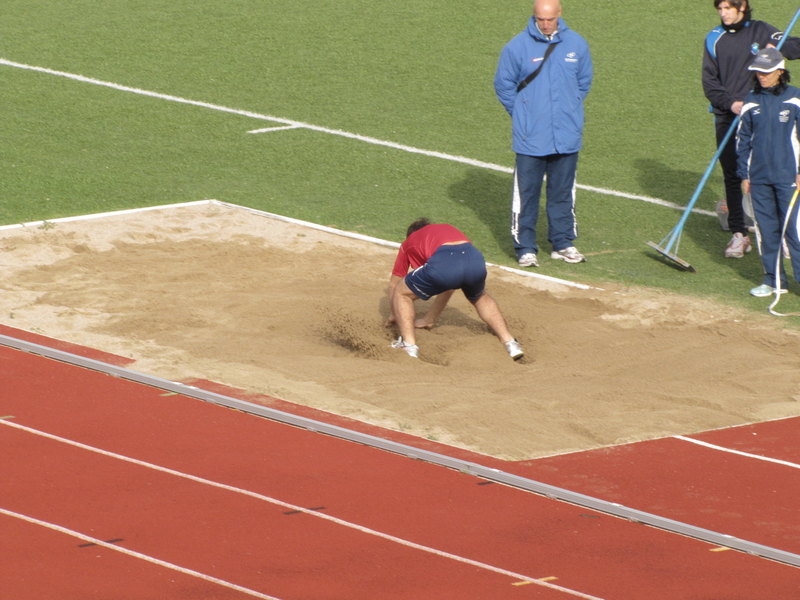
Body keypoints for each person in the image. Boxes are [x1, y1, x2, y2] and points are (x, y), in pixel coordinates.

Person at [493, 0, 592, 268]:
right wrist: (524, 114)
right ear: (534, 17)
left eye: (549, 19)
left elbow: (583, 83)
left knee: (562, 193)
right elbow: (503, 85)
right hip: (530, 138)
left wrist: (569, 111)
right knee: (527, 195)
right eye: (540, 19)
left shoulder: (577, 45)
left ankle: (562, 243)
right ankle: (525, 247)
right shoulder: (516, 47)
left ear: (560, 13)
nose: (545, 24)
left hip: (567, 137)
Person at [702, 0, 800, 258]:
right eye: (719, 9)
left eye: (727, 8)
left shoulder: (762, 30)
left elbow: (797, 47)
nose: (722, 14)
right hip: (729, 115)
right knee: (734, 173)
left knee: (772, 171)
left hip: (763, 115)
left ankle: (784, 236)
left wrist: (778, 46)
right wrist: (731, 104)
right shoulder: (714, 38)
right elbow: (710, 84)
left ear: (742, 6)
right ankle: (739, 234)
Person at [385, 218, 524, 360]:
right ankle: (510, 343)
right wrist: (428, 318)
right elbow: (448, 286)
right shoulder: (446, 229)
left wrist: (395, 313)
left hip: (446, 260)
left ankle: (408, 346)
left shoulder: (410, 242)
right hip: (475, 259)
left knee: (402, 293)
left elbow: (393, 285)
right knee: (480, 297)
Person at [736, 48, 800, 297]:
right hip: (759, 178)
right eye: (758, 72)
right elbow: (743, 141)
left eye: (767, 72)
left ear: (780, 71)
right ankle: (774, 281)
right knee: (766, 231)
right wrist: (744, 175)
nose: (762, 76)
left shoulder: (796, 98)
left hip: (789, 178)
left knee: (795, 230)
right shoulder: (751, 100)